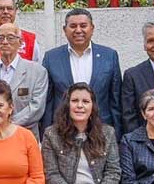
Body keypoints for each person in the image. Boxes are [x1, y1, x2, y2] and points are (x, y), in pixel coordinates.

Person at [43, 8, 122, 136]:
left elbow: (115, 100)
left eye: (83, 26)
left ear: (92, 28)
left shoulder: (109, 56)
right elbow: (48, 101)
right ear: (64, 30)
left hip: (100, 131)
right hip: (62, 132)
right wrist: (46, 135)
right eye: (73, 26)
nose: (78, 30)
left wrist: (118, 135)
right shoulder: (51, 58)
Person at [0, 22, 48, 137]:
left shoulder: (37, 72)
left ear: (20, 42)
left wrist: (8, 126)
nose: (5, 42)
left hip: (24, 137)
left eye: (10, 38)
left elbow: (36, 107)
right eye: (1, 38)